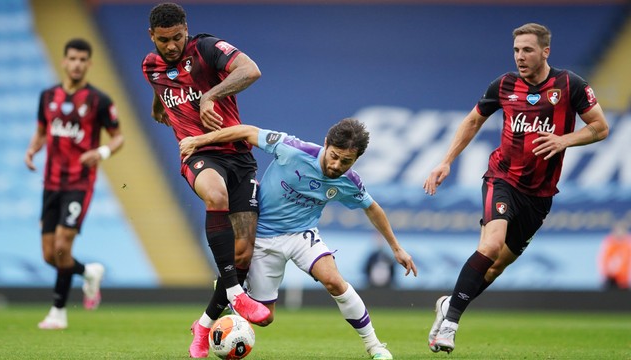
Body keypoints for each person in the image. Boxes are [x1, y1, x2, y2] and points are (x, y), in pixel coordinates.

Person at [423, 23, 609, 353]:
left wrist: (564, 139)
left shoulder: (570, 85)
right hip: (502, 178)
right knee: (491, 245)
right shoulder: (504, 85)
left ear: (545, 52)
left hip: (540, 196)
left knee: (495, 267)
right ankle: (450, 325)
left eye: (527, 50)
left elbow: (600, 128)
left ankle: (448, 305)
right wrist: (446, 161)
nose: (520, 57)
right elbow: (473, 121)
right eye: (516, 50)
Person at [180, 118, 418, 360]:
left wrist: (396, 248)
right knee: (265, 318)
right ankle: (228, 296)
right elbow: (247, 131)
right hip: (262, 238)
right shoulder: (292, 148)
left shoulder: (350, 182)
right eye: (334, 155)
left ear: (356, 160)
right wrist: (199, 140)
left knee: (334, 282)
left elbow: (373, 208)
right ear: (326, 144)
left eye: (346, 161)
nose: (336, 165)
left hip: (302, 236)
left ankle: (375, 346)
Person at [141, 3, 270, 357]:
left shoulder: (207, 48)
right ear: (152, 36)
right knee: (215, 194)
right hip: (198, 154)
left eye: (177, 37)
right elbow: (160, 91)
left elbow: (252, 70)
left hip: (239, 156)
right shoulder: (149, 66)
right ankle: (237, 296)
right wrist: (160, 111)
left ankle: (202, 325)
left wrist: (210, 96)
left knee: (242, 254)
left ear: (187, 29)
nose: (171, 46)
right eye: (164, 40)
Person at [24, 38, 125, 330]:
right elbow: (42, 131)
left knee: (62, 245)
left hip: (80, 183)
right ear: (64, 61)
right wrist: (32, 150)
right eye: (73, 59)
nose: (77, 64)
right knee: (49, 255)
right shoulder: (47, 97)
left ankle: (58, 311)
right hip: (51, 183)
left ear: (89, 64)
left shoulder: (99, 101)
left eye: (83, 59)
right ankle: (88, 271)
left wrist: (101, 151)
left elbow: (118, 136)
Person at [598, 221, 631, 290]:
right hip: (611, 280)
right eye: (618, 230)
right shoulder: (609, 244)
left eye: (622, 230)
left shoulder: (627, 245)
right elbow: (604, 261)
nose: (620, 233)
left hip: (624, 280)